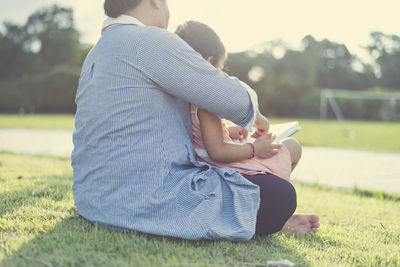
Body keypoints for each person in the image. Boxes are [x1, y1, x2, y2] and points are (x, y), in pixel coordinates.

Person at [71, 0, 319, 242]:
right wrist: (257, 114)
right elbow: (229, 98)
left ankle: (268, 220)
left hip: (93, 199)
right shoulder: (150, 41)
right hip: (139, 201)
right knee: (280, 196)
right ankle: (274, 220)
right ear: (154, 2)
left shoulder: (99, 50)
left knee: (268, 191)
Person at [175, 21, 300, 182]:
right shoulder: (206, 100)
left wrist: (228, 130)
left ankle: (274, 187)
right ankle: (272, 189)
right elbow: (218, 151)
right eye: (219, 68)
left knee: (287, 148)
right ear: (210, 61)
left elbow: (203, 136)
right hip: (227, 168)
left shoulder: (186, 94)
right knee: (293, 147)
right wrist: (255, 148)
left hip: (214, 165)